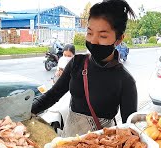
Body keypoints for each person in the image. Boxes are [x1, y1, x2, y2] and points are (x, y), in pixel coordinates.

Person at [32, 0, 137, 137]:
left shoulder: (125, 81)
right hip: (70, 141)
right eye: (89, 33)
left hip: (103, 147)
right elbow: (52, 95)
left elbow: (130, 128)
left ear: (119, 39)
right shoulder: (77, 63)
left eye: (103, 36)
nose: (93, 41)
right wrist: (22, 111)